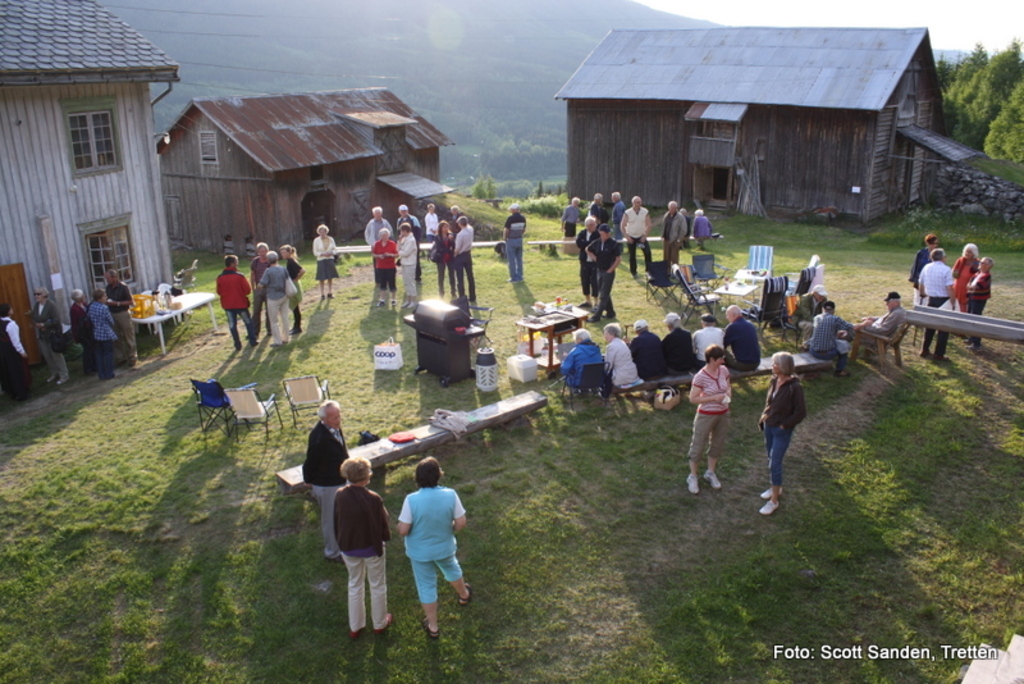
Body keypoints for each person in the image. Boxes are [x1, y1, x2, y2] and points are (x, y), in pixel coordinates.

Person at [397, 457, 472, 640]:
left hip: (419, 552)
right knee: (452, 568)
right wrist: (449, 529)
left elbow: (403, 530)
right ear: (439, 475)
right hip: (444, 547)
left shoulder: (411, 500)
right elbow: (461, 522)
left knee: (426, 586)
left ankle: (433, 626)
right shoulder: (450, 494)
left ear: (418, 478)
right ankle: (464, 594)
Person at [334, 456, 392, 639]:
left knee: (355, 584)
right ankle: (380, 623)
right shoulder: (374, 498)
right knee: (377, 585)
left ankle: (356, 626)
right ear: (367, 477)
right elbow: (385, 520)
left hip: (349, 548)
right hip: (371, 548)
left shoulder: (340, 494)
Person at [757, 351, 807, 515]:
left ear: (783, 367)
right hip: (769, 426)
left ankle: (774, 501)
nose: (772, 366)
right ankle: (775, 488)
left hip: (781, 430)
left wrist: (785, 426)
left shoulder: (795, 387)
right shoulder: (774, 380)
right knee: (771, 458)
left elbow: (800, 412)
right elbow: (770, 401)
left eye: (775, 364)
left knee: (775, 464)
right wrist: (764, 416)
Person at [303, 400, 349, 563]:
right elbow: (311, 461)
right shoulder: (319, 438)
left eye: (339, 416)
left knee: (342, 515)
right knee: (330, 520)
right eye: (334, 418)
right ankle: (333, 552)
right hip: (327, 484)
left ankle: (344, 543)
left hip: (339, 479)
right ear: (324, 420)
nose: (338, 420)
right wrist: (308, 480)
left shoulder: (334, 429)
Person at [686, 344, 731, 495]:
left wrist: (728, 395)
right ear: (712, 359)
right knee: (699, 443)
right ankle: (693, 476)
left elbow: (728, 386)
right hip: (706, 415)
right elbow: (693, 398)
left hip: (723, 413)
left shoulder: (723, 371)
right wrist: (713, 398)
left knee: (717, 443)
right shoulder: (701, 377)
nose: (723, 361)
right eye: (720, 359)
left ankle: (710, 473)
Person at [918, 248, 956, 361]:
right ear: (943, 257)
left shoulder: (926, 267)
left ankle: (924, 349)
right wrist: (953, 302)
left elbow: (921, 282)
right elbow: (949, 287)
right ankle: (939, 354)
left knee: (929, 326)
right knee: (943, 328)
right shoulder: (946, 269)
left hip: (931, 299)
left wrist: (922, 293)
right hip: (943, 300)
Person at [216, 255, 257, 351]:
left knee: (232, 325)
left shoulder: (220, 277)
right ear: (233, 263)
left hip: (228, 305)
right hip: (240, 303)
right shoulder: (239, 276)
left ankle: (237, 344)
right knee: (248, 322)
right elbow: (247, 290)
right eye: (236, 261)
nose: (238, 263)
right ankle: (252, 340)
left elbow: (219, 291)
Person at [31, 287, 69, 385]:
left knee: (56, 355)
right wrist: (37, 324)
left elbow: (56, 320)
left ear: (44, 295)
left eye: (38, 294)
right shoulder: (36, 306)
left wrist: (44, 325)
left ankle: (64, 375)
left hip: (52, 334)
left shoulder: (51, 305)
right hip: (42, 335)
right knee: (47, 355)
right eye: (35, 294)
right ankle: (54, 373)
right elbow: (34, 317)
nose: (36, 296)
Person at [808, 301, 855, 377]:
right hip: (826, 354)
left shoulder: (816, 318)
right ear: (833, 310)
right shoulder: (835, 319)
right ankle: (839, 371)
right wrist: (865, 324)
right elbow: (852, 327)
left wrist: (835, 334)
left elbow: (823, 332)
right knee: (844, 348)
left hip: (813, 350)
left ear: (823, 309)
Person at [586, 225, 621, 323]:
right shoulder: (596, 243)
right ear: (601, 233)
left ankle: (597, 316)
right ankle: (610, 313)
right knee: (604, 292)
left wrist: (611, 270)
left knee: (603, 295)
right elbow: (587, 249)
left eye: (609, 232)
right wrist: (594, 257)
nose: (608, 234)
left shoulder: (613, 244)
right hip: (599, 270)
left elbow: (618, 259)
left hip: (608, 272)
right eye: (607, 232)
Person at [103, 270, 137, 368]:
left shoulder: (123, 287)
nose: (107, 280)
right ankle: (120, 357)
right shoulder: (108, 288)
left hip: (123, 313)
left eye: (108, 278)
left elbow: (131, 302)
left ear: (114, 277)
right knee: (116, 337)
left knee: (128, 336)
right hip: (112, 313)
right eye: (106, 278)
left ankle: (132, 357)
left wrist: (117, 303)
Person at [258, 250, 290, 347]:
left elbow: (262, 284)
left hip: (273, 297)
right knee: (285, 318)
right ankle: (286, 338)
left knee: (274, 320)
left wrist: (259, 286)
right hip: (284, 295)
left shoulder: (268, 271)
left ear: (268, 260)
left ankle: (278, 341)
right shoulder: (283, 269)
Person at [0, 302, 30, 400]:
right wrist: (22, 352)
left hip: (3, 350)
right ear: (8, 312)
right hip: (11, 350)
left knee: (7, 371)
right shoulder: (11, 324)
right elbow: (15, 341)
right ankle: (21, 393)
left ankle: (12, 392)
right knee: (16, 371)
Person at [87, 289, 118, 380]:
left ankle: (101, 374)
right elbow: (110, 320)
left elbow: (89, 318)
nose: (106, 298)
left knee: (99, 355)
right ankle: (109, 373)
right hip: (106, 333)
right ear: (100, 298)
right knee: (108, 354)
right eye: (104, 296)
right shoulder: (104, 308)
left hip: (96, 333)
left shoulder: (91, 306)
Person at [965, 257, 993, 351]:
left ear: (988, 266)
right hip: (972, 298)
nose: (980, 264)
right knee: (970, 316)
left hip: (979, 299)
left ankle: (976, 343)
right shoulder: (977, 274)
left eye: (982, 263)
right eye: (980, 262)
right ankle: (971, 338)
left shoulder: (987, 275)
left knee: (976, 319)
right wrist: (970, 287)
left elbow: (979, 286)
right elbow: (969, 284)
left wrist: (971, 287)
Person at [603, 323, 641, 388]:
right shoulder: (622, 343)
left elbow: (608, 366)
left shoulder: (612, 346)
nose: (605, 336)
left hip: (621, 377)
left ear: (611, 334)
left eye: (606, 334)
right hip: (632, 374)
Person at [621, 196, 652, 276]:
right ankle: (633, 272)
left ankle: (649, 271)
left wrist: (645, 236)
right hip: (631, 236)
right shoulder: (627, 212)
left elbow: (649, 224)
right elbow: (622, 225)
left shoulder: (645, 211)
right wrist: (627, 236)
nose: (639, 203)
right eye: (637, 202)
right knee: (632, 255)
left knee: (647, 253)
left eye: (640, 201)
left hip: (641, 236)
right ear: (633, 203)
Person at [723, 305, 760, 371]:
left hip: (743, 365)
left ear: (733, 315)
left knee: (719, 348)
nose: (726, 317)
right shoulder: (750, 324)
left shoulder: (732, 327)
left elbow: (723, 344)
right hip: (756, 362)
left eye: (727, 315)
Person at [279, 244, 305, 336]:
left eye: (284, 252)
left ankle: (297, 327)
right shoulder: (289, 261)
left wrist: (296, 279)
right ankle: (296, 326)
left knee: (295, 307)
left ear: (289, 253)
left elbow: (302, 271)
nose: (282, 254)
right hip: (292, 284)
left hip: (293, 285)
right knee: (295, 308)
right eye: (281, 253)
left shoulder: (291, 261)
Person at [575, 216, 600, 309]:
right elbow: (579, 244)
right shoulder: (582, 233)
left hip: (594, 261)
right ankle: (587, 301)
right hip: (584, 261)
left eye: (595, 224)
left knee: (595, 281)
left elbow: (596, 245)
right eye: (593, 224)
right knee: (584, 280)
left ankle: (597, 302)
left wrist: (586, 243)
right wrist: (589, 243)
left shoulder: (598, 234)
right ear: (587, 226)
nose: (595, 226)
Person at [69, 289, 96, 375]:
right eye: (82, 296)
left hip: (89, 330)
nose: (84, 297)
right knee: (87, 350)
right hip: (82, 332)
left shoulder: (84, 304)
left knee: (92, 349)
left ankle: (94, 366)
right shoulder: (74, 309)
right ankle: (88, 369)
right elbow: (74, 323)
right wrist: (76, 336)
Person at [372, 228, 399, 308]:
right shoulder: (377, 244)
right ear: (380, 236)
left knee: (392, 282)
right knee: (382, 283)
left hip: (390, 266)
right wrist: (379, 256)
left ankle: (393, 300)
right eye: (383, 235)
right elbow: (373, 254)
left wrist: (390, 254)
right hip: (380, 266)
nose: (385, 237)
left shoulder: (392, 244)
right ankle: (382, 300)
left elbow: (397, 254)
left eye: (386, 235)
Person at [909, 233, 939, 302]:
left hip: (932, 280)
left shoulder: (938, 253)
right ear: (928, 243)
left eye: (936, 243)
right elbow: (916, 266)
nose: (935, 245)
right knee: (917, 299)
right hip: (920, 279)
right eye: (933, 243)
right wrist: (915, 280)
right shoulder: (921, 253)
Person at [452, 216, 477, 302]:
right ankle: (472, 295)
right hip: (468, 254)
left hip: (460, 256)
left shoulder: (460, 235)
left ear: (459, 224)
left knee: (460, 277)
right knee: (470, 276)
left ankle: (462, 296)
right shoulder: (471, 229)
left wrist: (454, 255)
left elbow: (457, 248)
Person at [312, 225, 339, 300]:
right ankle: (322, 294)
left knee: (330, 277)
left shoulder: (330, 239)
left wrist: (331, 253)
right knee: (322, 278)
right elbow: (315, 252)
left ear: (326, 232)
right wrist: (322, 254)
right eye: (321, 232)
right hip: (321, 260)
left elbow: (335, 249)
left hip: (329, 259)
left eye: (324, 231)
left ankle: (330, 292)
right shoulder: (316, 240)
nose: (322, 233)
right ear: (319, 232)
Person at [397, 204, 423, 282]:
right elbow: (399, 231)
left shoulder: (413, 219)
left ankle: (417, 276)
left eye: (404, 211)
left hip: (413, 241)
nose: (403, 212)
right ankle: (408, 276)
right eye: (402, 211)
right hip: (404, 242)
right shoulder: (399, 220)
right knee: (405, 258)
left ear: (407, 211)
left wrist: (417, 241)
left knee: (416, 259)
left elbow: (418, 230)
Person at [431, 221, 456, 298]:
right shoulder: (437, 236)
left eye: (447, 227)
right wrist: (447, 249)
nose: (446, 228)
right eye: (444, 227)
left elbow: (454, 246)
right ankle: (441, 292)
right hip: (441, 258)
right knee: (441, 275)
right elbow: (439, 248)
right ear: (441, 228)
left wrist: (451, 240)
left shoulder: (451, 235)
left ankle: (453, 291)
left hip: (450, 257)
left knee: (452, 274)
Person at [952, 243, 980, 313]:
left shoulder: (977, 263)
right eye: (966, 251)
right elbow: (953, 273)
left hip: (968, 289)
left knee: (966, 307)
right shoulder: (960, 260)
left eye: (970, 252)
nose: (967, 253)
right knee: (956, 306)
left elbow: (978, 277)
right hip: (958, 287)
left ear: (974, 253)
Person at [504, 203, 527, 283]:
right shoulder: (523, 218)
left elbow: (507, 230)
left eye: (511, 209)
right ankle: (520, 276)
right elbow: (523, 230)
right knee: (519, 259)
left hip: (511, 239)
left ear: (514, 210)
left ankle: (513, 277)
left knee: (511, 260)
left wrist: (505, 238)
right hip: (519, 239)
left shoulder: (510, 218)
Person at [398, 223, 419, 308]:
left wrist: (398, 253)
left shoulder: (411, 240)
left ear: (405, 231)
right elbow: (399, 247)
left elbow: (406, 253)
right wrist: (399, 240)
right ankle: (408, 299)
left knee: (410, 282)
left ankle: (413, 301)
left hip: (410, 263)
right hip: (404, 263)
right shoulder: (405, 239)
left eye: (401, 231)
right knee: (406, 282)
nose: (401, 233)